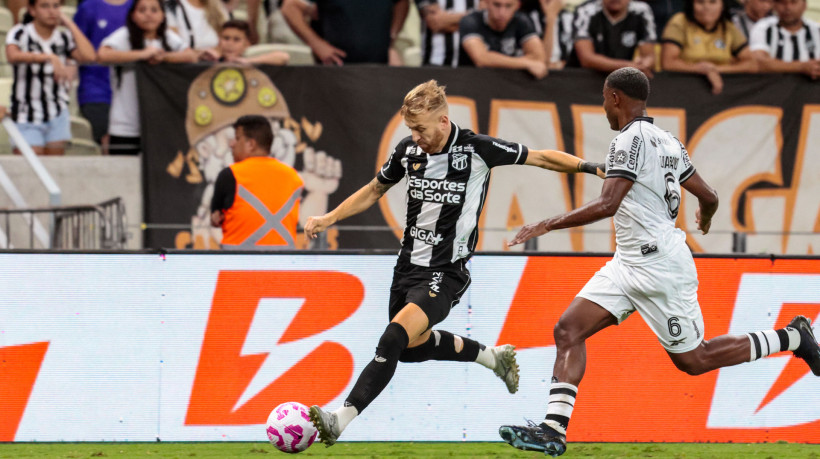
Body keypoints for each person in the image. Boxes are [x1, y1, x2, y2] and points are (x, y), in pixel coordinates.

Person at [498, 67, 820, 457]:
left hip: (659, 269)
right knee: (568, 329)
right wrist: (707, 215)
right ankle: (553, 430)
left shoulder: (626, 141)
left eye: (603, 97)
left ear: (615, 97)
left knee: (694, 360)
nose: (602, 105)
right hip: (627, 264)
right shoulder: (668, 142)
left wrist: (547, 223)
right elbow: (710, 194)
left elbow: (607, 204)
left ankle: (793, 336)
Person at [303, 79, 606, 447]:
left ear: (443, 121)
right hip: (407, 267)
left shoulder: (477, 149)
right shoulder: (407, 152)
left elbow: (540, 156)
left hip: (446, 272)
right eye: (410, 129)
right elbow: (374, 189)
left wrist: (590, 167)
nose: (415, 137)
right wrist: (328, 218)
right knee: (410, 351)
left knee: (393, 337)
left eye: (421, 129)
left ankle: (339, 419)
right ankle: (492, 357)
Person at [98, 0, 196, 155]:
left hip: (159, 124)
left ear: (163, 15)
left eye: (154, 10)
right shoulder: (124, 36)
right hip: (125, 125)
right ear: (133, 15)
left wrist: (163, 57)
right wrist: (142, 55)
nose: (148, 14)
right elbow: (103, 55)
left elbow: (190, 56)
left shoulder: (168, 37)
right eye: (142, 10)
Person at [5, 0, 96, 155]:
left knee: (53, 169)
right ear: (32, 10)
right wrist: (48, 57)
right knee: (29, 168)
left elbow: (90, 56)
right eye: (45, 6)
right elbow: (12, 55)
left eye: (56, 6)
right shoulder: (20, 32)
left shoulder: (63, 37)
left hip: (57, 112)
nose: (52, 11)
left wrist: (70, 24)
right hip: (26, 114)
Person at [210, 115, 304, 249]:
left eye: (237, 138)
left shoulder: (230, 175)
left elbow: (216, 218)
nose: (232, 144)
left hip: (236, 266)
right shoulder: (293, 177)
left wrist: (216, 218)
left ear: (251, 144)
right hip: (284, 266)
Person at [661, 0, 758, 95]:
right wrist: (700, 69)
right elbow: (668, 63)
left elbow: (752, 64)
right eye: (700, 2)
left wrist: (715, 69)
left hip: (722, 91)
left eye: (713, 2)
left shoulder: (727, 27)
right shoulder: (679, 22)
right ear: (691, 5)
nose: (706, 7)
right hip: (682, 88)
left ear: (722, 5)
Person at [73, 0, 133, 152]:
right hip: (96, 91)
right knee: (108, 144)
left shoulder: (139, 7)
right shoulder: (88, 8)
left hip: (130, 92)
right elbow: (74, 46)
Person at [280, 0, 409, 65]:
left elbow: (402, 3)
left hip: (380, 64)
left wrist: (392, 37)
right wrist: (317, 44)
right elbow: (290, 7)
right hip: (337, 64)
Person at [458, 0, 548, 79]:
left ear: (517, 5)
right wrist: (527, 63)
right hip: (473, 81)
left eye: (508, 6)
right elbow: (481, 59)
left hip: (510, 86)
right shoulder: (471, 21)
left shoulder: (522, 21)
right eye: (497, 5)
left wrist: (496, 60)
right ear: (486, 2)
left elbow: (539, 57)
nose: (501, 12)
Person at [567, 0, 657, 77]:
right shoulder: (586, 11)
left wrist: (645, 64)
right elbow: (586, 59)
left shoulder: (642, 11)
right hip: (582, 79)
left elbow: (649, 56)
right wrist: (627, 66)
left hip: (621, 81)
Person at [748, 0, 820, 77]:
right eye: (782, 3)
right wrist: (801, 67)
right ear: (774, 6)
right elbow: (758, 61)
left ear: (804, 5)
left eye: (793, 2)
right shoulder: (763, 28)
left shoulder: (817, 30)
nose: (788, 7)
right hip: (773, 86)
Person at [417, 0, 480, 67]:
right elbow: (435, 22)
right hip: (436, 63)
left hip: (472, 67)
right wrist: (474, 18)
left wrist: (448, 19)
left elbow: (487, 19)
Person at [199, 19, 289, 64]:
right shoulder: (211, 58)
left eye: (236, 39)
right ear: (219, 41)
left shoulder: (251, 59)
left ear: (247, 43)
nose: (230, 43)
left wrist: (246, 61)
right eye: (226, 38)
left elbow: (283, 57)